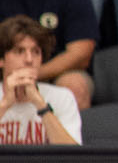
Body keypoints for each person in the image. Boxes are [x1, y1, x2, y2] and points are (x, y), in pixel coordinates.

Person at [0, 14, 78, 145]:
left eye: (36, 52)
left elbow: (73, 155)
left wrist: (40, 105)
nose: (29, 59)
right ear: (1, 60)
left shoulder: (62, 97)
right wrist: (5, 104)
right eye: (19, 51)